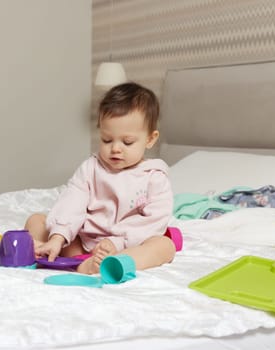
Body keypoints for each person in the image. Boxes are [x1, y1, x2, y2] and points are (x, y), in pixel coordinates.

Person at [24, 82, 175, 274]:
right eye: (106, 140)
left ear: (150, 139)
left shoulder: (154, 178)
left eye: (127, 142)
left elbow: (153, 222)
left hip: (125, 245)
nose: (115, 148)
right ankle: (60, 256)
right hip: (80, 242)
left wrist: (116, 242)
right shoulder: (91, 168)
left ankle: (112, 265)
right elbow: (72, 202)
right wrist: (58, 237)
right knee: (36, 220)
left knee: (164, 245)